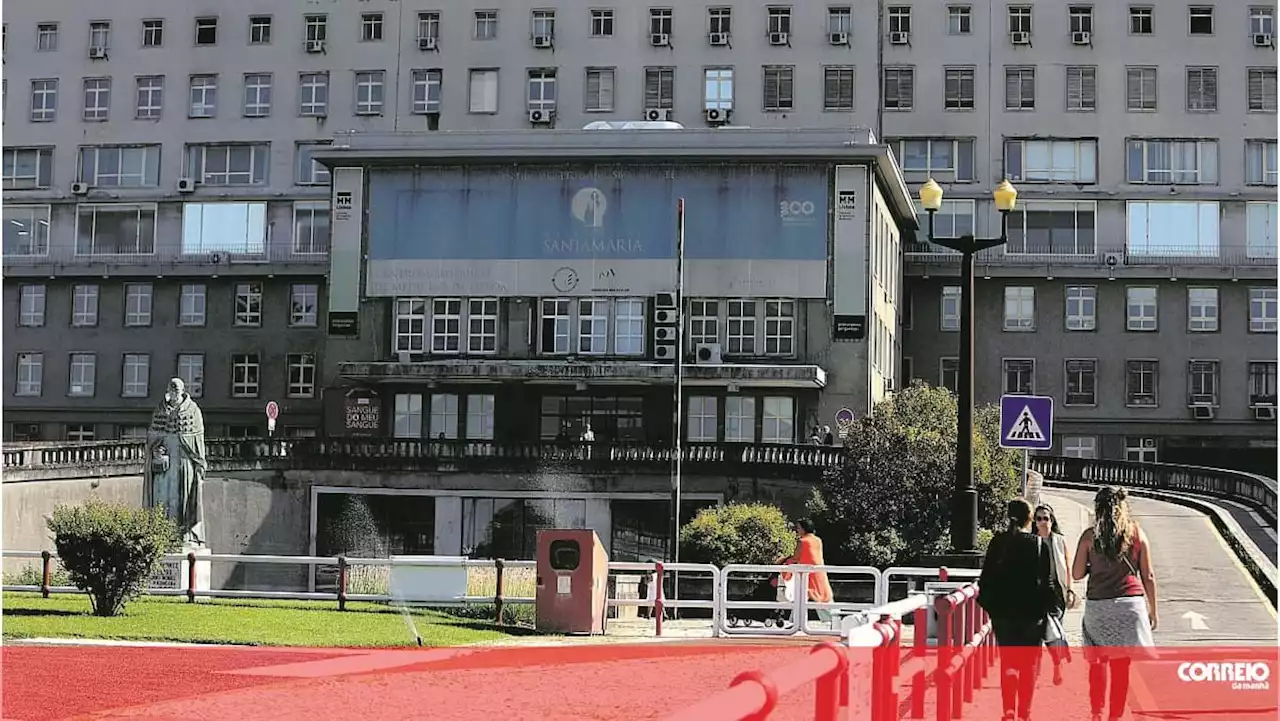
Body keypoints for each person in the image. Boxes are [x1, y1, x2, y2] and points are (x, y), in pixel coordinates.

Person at [1072, 487, 1157, 721]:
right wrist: (1153, 611)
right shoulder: (1137, 534)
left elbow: (1077, 573)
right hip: (1130, 606)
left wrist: (1093, 566)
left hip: (1099, 606)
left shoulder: (1090, 537)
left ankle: (1096, 712)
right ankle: (1115, 716)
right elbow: (1148, 576)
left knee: (1097, 663)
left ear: (1098, 508)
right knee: (1121, 669)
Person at [978, 497, 1055, 721]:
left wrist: (991, 607)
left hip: (1003, 614)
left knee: (1009, 661)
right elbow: (1047, 583)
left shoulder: (998, 542)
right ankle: (1024, 713)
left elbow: (986, 579)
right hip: (1032, 615)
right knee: (1029, 664)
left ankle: (1008, 710)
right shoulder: (1039, 544)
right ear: (1030, 518)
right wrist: (1050, 608)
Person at [1035, 503, 1076, 685]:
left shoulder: (1059, 541)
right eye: (1039, 518)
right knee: (1036, 633)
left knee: (1054, 632)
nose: (1043, 522)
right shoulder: (1030, 541)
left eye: (1046, 518)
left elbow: (1067, 567)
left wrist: (1070, 590)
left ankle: (1057, 665)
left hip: (1056, 593)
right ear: (1034, 522)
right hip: (1035, 593)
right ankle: (1034, 671)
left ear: (1052, 521)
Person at [778, 519, 834, 622]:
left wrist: (782, 560)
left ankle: (796, 622)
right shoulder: (818, 540)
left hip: (806, 575)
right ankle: (834, 619)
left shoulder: (802, 541)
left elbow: (795, 557)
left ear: (804, 529)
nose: (797, 530)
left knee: (801, 598)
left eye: (798, 528)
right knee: (822, 597)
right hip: (818, 572)